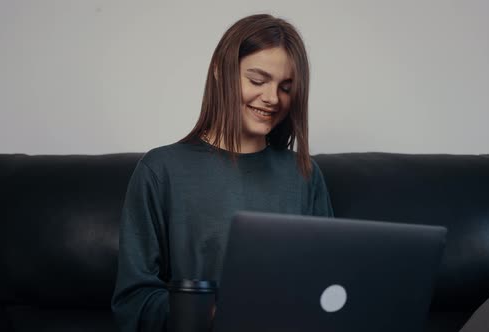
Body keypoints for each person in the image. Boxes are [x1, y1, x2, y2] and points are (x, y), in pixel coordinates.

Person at [111, 13, 334, 332]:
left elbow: (329, 286)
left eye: (286, 87)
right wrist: (208, 312)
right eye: (257, 80)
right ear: (220, 72)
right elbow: (133, 301)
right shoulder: (160, 170)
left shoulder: (304, 174)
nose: (272, 98)